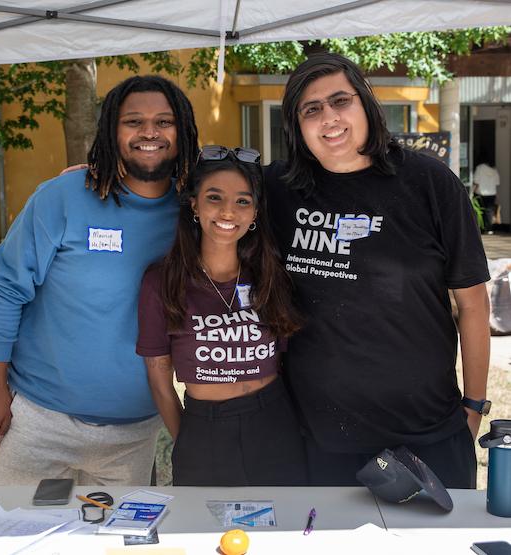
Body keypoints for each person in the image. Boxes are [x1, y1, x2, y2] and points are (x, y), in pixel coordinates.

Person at [264, 53, 491, 488]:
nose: (329, 117)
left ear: (366, 103)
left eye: (340, 101)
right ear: (297, 126)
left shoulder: (429, 182)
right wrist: (98, 171)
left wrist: (474, 405)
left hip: (430, 433)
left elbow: (473, 303)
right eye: (311, 109)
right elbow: (200, 192)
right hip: (323, 440)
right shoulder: (278, 188)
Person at [0, 75, 198, 486]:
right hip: (39, 421)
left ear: (182, 130)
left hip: (134, 430)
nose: (149, 132)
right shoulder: (63, 196)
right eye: (134, 121)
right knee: (11, 542)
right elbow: (4, 289)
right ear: (111, 130)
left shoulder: (197, 213)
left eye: (164, 122)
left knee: (115, 549)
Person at [136, 146, 308, 486]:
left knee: (283, 532)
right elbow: (158, 375)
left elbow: (288, 360)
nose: (228, 211)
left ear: (255, 212)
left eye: (243, 201)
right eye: (214, 197)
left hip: (274, 420)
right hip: (204, 426)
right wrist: (189, 437)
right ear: (194, 205)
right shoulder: (163, 280)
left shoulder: (270, 274)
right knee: (207, 534)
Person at [473, 155, 500, 234]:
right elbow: (497, 183)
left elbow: (476, 181)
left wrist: (472, 192)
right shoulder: (494, 169)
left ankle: (481, 228)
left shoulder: (480, 168)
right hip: (492, 193)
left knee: (480, 211)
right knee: (490, 211)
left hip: (481, 192)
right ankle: (489, 229)